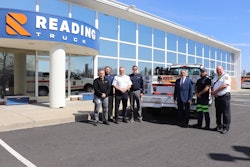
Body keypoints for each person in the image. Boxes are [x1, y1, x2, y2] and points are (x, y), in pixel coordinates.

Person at [211, 66, 231, 134]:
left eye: (219, 69)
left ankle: (225, 127)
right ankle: (219, 126)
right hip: (217, 97)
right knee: (218, 113)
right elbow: (212, 85)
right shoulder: (215, 76)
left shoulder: (226, 76)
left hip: (224, 97)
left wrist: (215, 91)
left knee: (226, 113)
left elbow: (225, 85)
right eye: (217, 70)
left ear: (222, 70)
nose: (218, 71)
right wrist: (213, 92)